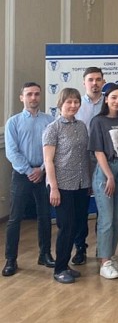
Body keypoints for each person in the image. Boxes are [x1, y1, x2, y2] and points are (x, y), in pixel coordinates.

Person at [3, 82, 55, 277]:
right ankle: (11, 259)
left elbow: (54, 148)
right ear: (22, 98)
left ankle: (45, 254)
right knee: (15, 218)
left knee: (45, 216)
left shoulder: (49, 121)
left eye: (36, 94)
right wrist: (28, 170)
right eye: (29, 94)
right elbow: (11, 151)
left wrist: (41, 169)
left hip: (44, 173)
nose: (33, 97)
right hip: (21, 175)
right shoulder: (13, 122)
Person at [43, 88, 92, 284]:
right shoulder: (53, 128)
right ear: (60, 104)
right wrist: (54, 188)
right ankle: (60, 268)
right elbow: (48, 160)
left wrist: (88, 181)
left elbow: (85, 156)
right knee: (66, 226)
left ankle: (66, 264)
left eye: (76, 102)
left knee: (77, 225)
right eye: (69, 102)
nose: (73, 105)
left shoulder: (81, 126)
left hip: (81, 184)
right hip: (62, 186)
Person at [88, 83, 118, 280]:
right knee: (106, 219)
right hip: (106, 171)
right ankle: (104, 262)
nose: (117, 101)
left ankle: (110, 256)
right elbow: (98, 151)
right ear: (106, 99)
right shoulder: (98, 121)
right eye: (113, 97)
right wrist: (109, 176)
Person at [71, 66, 104, 266]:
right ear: (84, 82)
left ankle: (103, 249)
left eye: (98, 79)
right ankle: (80, 248)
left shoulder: (110, 103)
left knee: (103, 209)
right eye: (91, 79)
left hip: (103, 162)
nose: (94, 83)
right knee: (80, 210)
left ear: (103, 82)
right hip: (81, 163)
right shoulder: (75, 104)